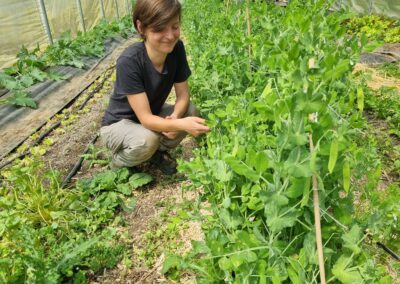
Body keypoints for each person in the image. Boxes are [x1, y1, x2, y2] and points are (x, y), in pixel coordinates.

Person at [100, 0, 210, 174]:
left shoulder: (177, 49)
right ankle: (118, 164)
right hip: (119, 125)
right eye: (159, 29)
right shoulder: (130, 61)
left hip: (150, 116)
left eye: (175, 26)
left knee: (190, 111)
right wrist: (179, 125)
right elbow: (145, 119)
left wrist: (174, 118)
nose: (170, 35)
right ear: (141, 28)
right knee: (147, 139)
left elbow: (183, 96)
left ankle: (154, 154)